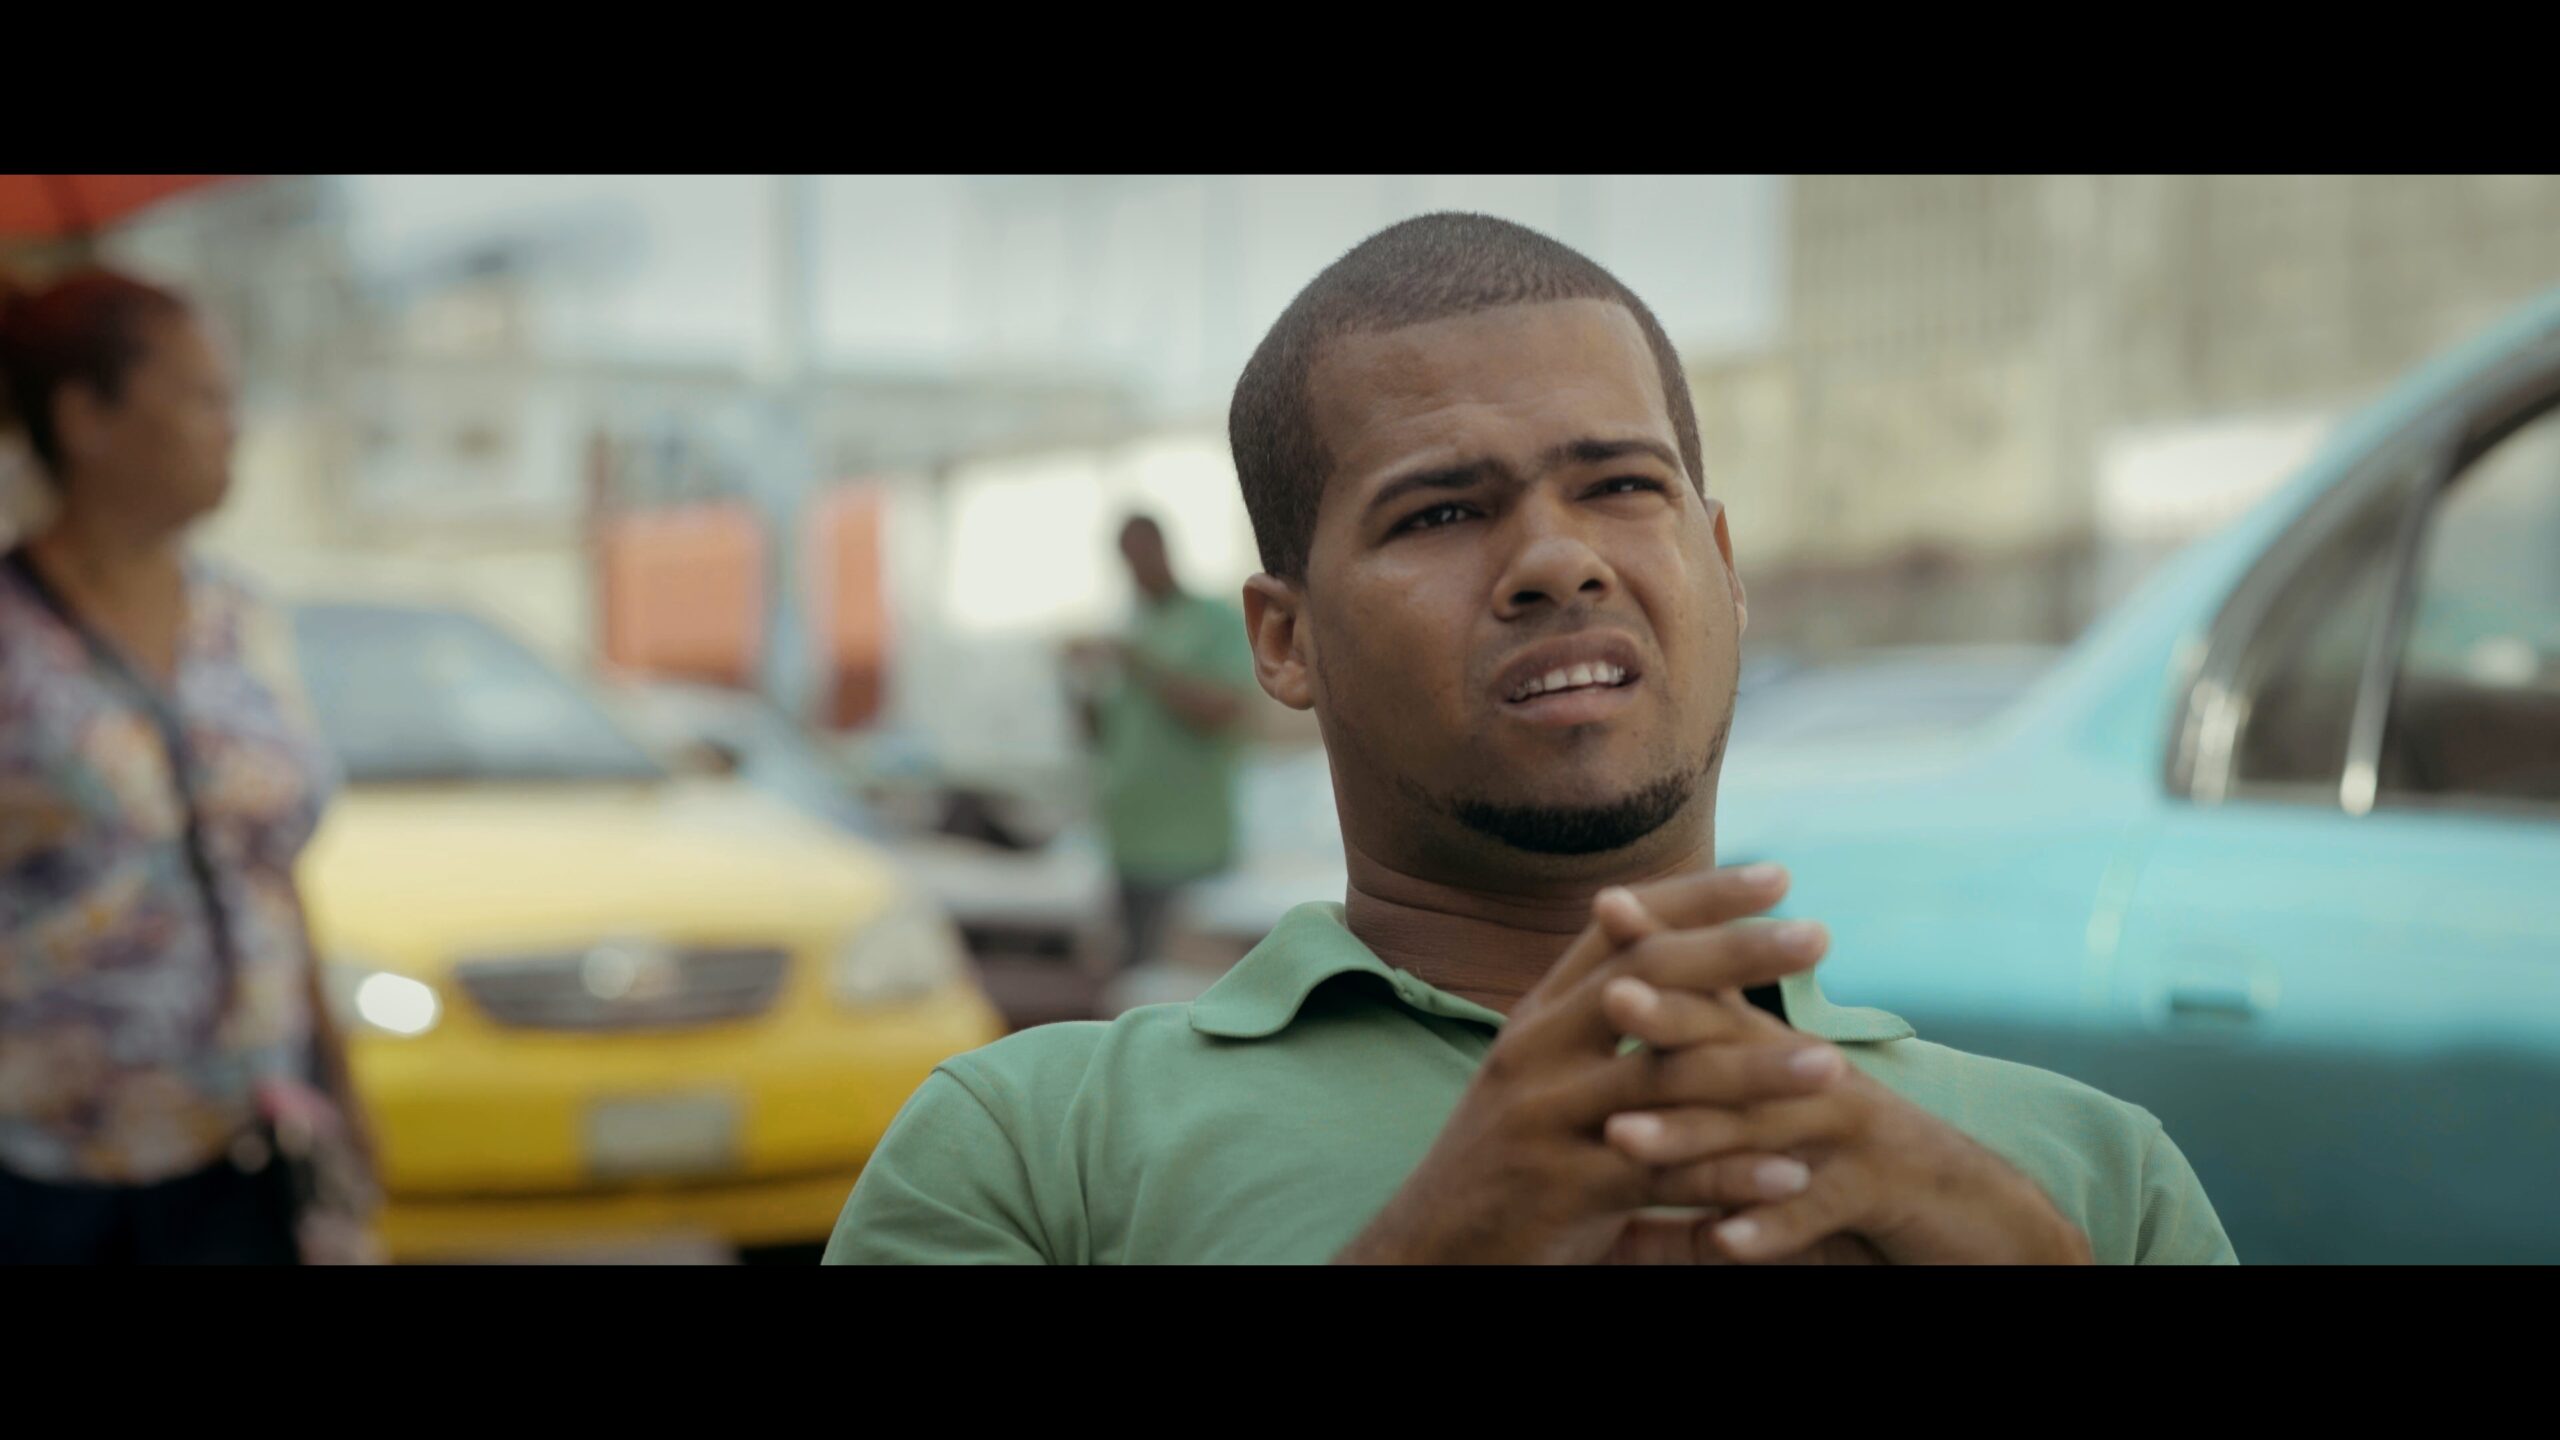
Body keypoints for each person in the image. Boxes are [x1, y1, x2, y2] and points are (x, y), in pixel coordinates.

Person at [827, 214, 2234, 1265]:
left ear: (1724, 566)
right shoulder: (1032, 1151)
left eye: (1620, 486)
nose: (1558, 561)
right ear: (1286, 639)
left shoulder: (2091, 1177)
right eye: (1441, 511)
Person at [0, 266, 376, 1264]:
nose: (233, 429)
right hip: (43, 1176)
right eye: (205, 398)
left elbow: (269, 871)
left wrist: (341, 1083)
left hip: (243, 1149)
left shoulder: (237, 620)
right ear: (87, 417)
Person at [1063, 513, 1260, 974]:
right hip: (1128, 842)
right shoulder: (1131, 625)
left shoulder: (1213, 620)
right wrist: (1075, 684)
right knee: (1135, 980)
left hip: (1189, 847)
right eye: (1126, 559)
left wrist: (1140, 664)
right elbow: (1101, 736)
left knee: (1191, 981)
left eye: (1140, 554)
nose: (1135, 568)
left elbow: (1225, 710)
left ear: (1161, 548)